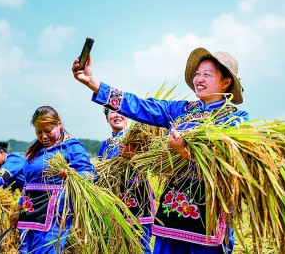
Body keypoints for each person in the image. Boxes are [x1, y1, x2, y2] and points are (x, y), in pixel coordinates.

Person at [72, 47, 249, 254]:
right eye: (197, 74)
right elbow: (140, 106)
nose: (198, 79)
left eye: (207, 75)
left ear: (226, 82)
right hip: (172, 211)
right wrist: (92, 82)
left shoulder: (235, 119)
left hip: (208, 212)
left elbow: (228, 164)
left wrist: (185, 153)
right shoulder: (181, 111)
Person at [10, 105, 96, 253]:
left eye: (48, 131)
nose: (43, 136)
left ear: (59, 125)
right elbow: (27, 183)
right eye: (39, 132)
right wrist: (18, 210)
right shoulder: (36, 151)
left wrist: (72, 174)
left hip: (54, 214)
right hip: (29, 212)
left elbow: (90, 175)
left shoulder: (71, 146)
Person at [98, 108, 155, 254]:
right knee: (116, 245)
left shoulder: (137, 137)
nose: (116, 115)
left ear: (128, 116)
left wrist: (134, 156)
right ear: (106, 118)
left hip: (137, 196)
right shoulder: (105, 145)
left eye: (119, 111)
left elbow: (151, 164)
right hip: (113, 199)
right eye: (111, 112)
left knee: (140, 245)